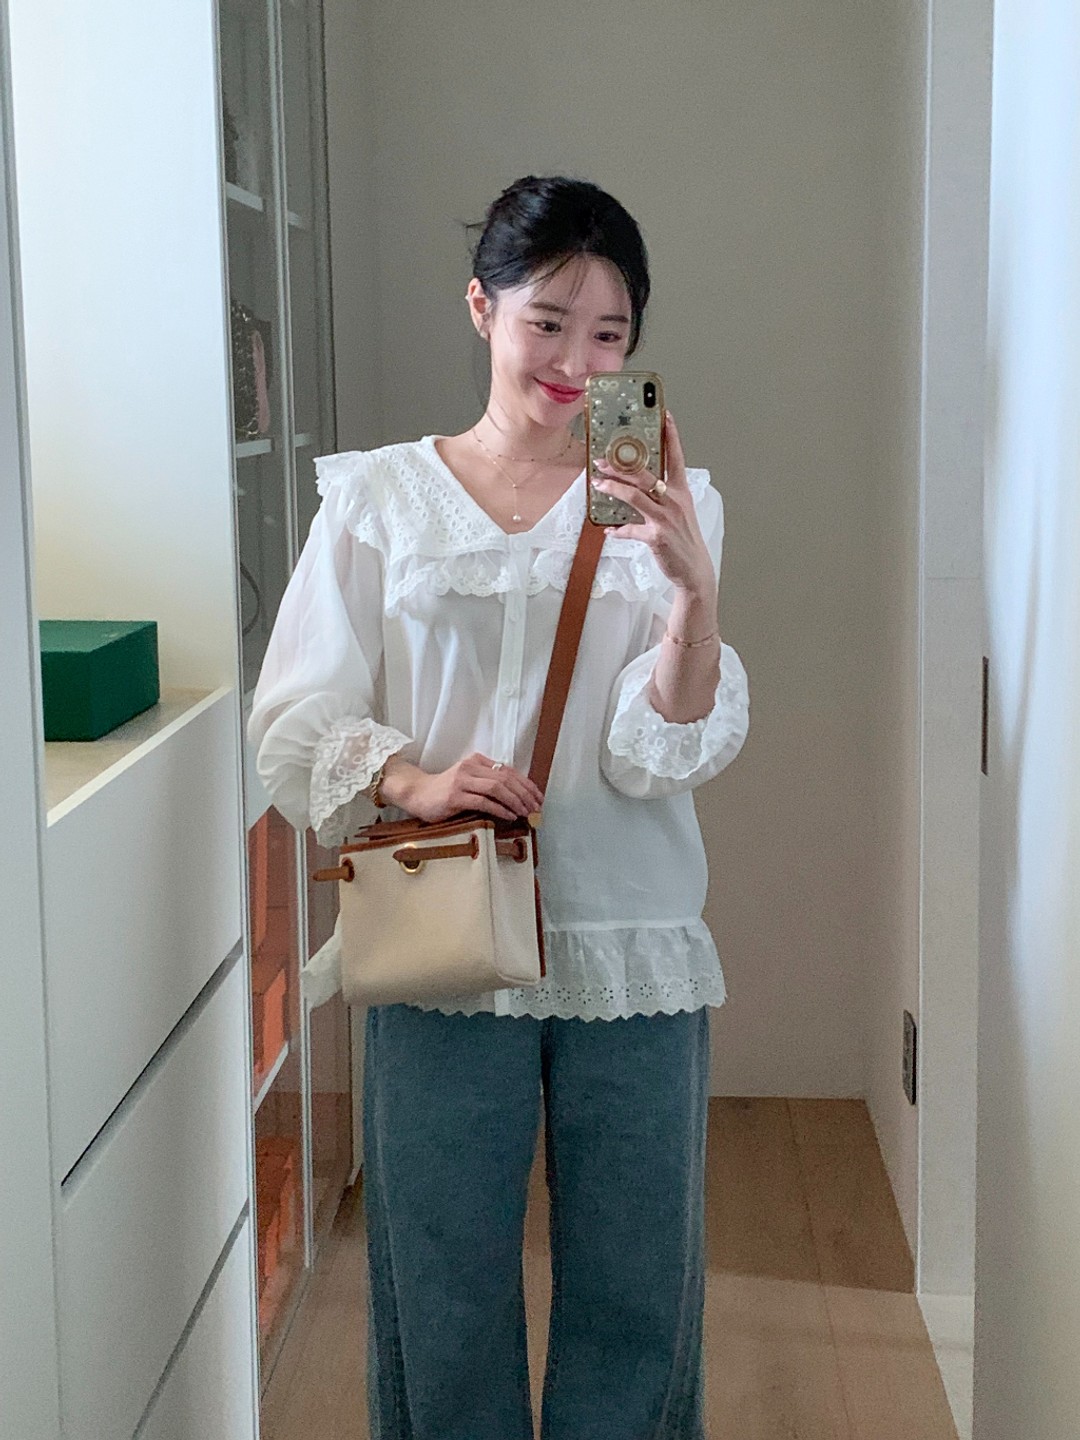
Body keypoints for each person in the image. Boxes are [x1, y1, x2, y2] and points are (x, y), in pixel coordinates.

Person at [248, 174, 750, 1440]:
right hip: (442, 931)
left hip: (630, 937)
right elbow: (292, 716)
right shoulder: (379, 501)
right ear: (481, 308)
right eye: (548, 322)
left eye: (610, 334)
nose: (577, 364)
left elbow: (657, 753)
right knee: (441, 1283)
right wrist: (411, 780)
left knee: (640, 1286)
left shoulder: (671, 505)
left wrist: (693, 598)